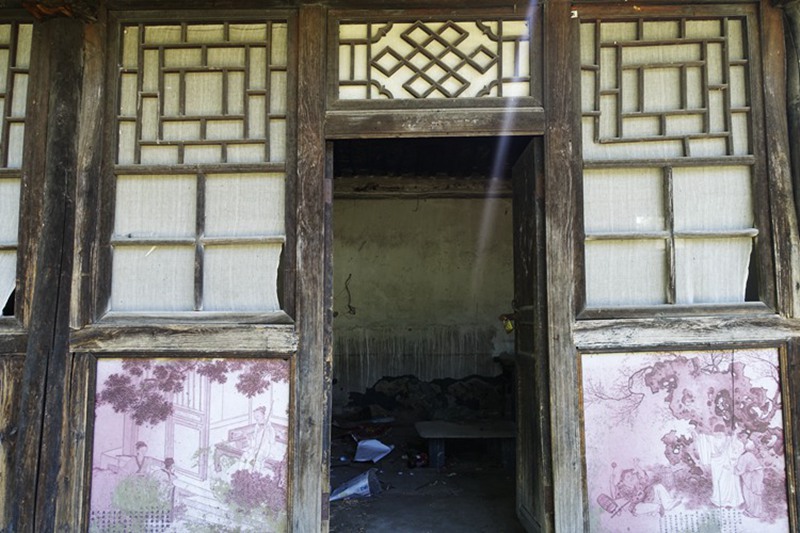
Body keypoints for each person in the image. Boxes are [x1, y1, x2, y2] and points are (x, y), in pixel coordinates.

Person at [735, 438, 764, 518]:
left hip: (753, 477)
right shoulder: (749, 455)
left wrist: (732, 470)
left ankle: (753, 512)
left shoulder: (745, 456)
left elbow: (740, 471)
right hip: (756, 475)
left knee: (749, 493)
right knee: (754, 494)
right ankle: (756, 511)